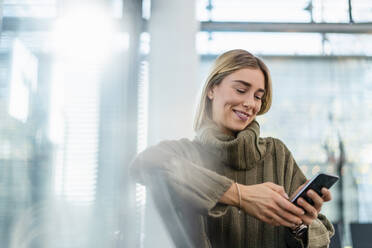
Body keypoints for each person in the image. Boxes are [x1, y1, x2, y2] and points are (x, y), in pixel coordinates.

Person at [131, 49, 334, 248]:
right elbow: (144, 164)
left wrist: (299, 225)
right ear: (211, 89)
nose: (250, 103)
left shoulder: (276, 154)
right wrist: (240, 195)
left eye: (258, 96)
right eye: (240, 90)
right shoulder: (184, 153)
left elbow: (323, 235)